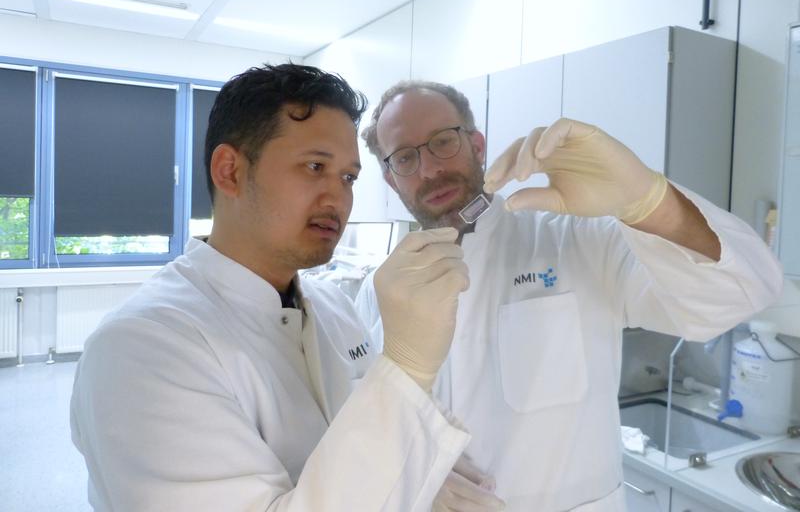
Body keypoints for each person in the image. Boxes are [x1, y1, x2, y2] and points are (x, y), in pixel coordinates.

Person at [70, 64, 501, 511]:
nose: (338, 198)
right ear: (230, 171)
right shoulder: (141, 350)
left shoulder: (333, 307)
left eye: (349, 177)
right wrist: (406, 373)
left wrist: (431, 483)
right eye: (315, 166)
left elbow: (381, 446)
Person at [355, 80, 784, 511]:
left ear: (478, 146)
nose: (428, 169)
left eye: (443, 142)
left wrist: (647, 201)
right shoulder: (383, 289)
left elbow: (740, 292)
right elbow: (377, 416)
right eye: (405, 158)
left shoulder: (578, 240)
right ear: (391, 180)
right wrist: (417, 468)